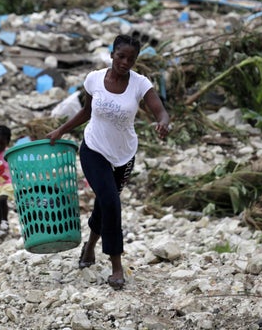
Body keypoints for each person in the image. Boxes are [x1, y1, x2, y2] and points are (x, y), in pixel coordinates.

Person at [46, 34, 170, 290]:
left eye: (131, 59)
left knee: (105, 203)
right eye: (121, 56)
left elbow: (160, 110)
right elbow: (86, 111)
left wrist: (163, 122)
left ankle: (90, 246)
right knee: (112, 203)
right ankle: (116, 266)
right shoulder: (94, 79)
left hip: (124, 155)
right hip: (94, 148)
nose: (125, 62)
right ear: (112, 53)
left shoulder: (140, 83)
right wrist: (61, 130)